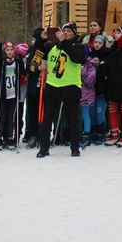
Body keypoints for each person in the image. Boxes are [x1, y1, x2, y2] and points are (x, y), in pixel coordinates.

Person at [38, 22, 86, 158]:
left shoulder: (78, 46)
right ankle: (44, 148)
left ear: (75, 33)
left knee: (74, 120)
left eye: (69, 31)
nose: (65, 33)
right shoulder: (53, 46)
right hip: (53, 86)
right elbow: (37, 54)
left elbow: (77, 58)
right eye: (63, 31)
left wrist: (64, 42)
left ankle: (75, 147)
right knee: (47, 119)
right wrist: (41, 39)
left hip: (71, 87)